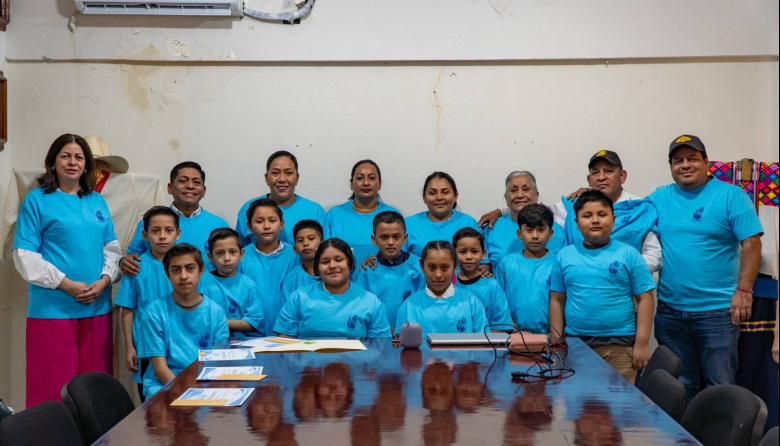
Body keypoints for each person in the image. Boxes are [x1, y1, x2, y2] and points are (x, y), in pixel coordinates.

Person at [649, 134, 763, 400]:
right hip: (670, 311)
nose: (685, 165)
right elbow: (623, 212)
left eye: (692, 159)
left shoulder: (731, 196)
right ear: (671, 167)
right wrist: (587, 194)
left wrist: (744, 291)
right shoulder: (659, 196)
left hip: (718, 313)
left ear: (706, 162)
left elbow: (752, 244)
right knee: (678, 386)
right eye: (678, 161)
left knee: (719, 386)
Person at [13, 134, 122, 408]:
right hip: (53, 311)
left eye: (79, 157)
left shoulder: (97, 201)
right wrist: (67, 285)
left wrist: (105, 281)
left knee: (96, 393)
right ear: (52, 161)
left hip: (97, 308)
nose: (72, 162)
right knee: (51, 391)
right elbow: (24, 255)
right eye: (65, 155)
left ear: (86, 165)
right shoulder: (37, 200)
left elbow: (112, 249)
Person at [479, 151, 662, 272]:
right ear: (589, 179)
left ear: (622, 176)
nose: (602, 177)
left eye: (608, 171)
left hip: (624, 288)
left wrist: (624, 273)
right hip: (580, 294)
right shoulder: (573, 207)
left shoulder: (640, 208)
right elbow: (535, 212)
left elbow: (653, 255)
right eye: (596, 173)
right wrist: (501, 211)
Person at [548, 190, 656, 384]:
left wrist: (642, 344)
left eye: (602, 214)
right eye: (587, 216)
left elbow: (646, 298)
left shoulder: (629, 255)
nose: (595, 220)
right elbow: (557, 299)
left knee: (620, 408)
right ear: (576, 223)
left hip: (620, 344)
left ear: (613, 220)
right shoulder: (564, 256)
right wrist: (556, 342)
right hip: (576, 343)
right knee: (579, 406)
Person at [136, 244, 229, 399]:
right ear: (167, 274)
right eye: (176, 270)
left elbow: (219, 363)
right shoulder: (154, 312)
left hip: (205, 386)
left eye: (190, 268)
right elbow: (160, 369)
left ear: (201, 271)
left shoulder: (216, 312)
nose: (183, 276)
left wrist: (203, 393)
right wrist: (189, 395)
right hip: (164, 386)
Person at [115, 206, 179, 400]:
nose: (162, 236)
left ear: (178, 233)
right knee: (152, 406)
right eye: (155, 231)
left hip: (179, 344)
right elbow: (127, 309)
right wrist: (129, 347)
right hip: (146, 348)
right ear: (145, 235)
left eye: (168, 231)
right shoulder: (136, 267)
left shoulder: (184, 266)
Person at [121, 161, 229, 276]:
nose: (190, 186)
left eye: (196, 182)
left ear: (204, 191)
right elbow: (133, 261)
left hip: (206, 292)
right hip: (159, 291)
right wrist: (124, 262)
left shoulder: (219, 226)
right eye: (183, 181)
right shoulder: (151, 223)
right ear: (169, 188)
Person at [274, 238, 391, 338]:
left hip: (356, 363)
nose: (332, 266)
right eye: (325, 262)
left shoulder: (370, 302)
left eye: (339, 260)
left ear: (350, 263)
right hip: (308, 363)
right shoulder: (299, 297)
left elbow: (380, 347)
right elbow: (285, 340)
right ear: (317, 268)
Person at [395, 241, 488, 337]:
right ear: (422, 267)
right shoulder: (408, 306)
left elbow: (484, 346)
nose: (438, 275)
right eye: (431, 267)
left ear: (455, 267)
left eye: (444, 267)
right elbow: (399, 347)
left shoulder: (472, 303)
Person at [235, 151, 326, 246]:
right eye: (275, 173)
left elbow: (324, 252)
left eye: (288, 173)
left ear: (297, 178)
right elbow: (239, 251)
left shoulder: (314, 211)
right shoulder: (249, 208)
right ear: (266, 178)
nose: (282, 179)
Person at [355, 211, 425, 332]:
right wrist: (384, 328)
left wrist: (402, 329)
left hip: (411, 333)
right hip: (377, 334)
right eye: (384, 237)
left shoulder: (418, 267)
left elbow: (423, 304)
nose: (391, 242)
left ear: (405, 238)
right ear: (374, 239)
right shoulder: (369, 270)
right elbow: (361, 305)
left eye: (396, 237)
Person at [325, 160, 401, 269]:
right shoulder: (334, 214)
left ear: (379, 184)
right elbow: (325, 254)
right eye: (360, 178)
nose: (366, 183)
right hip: (343, 283)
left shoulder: (392, 215)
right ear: (351, 184)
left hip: (381, 281)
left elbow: (400, 254)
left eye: (372, 178)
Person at [238, 198, 299, 335]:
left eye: (272, 220)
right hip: (248, 336)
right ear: (249, 226)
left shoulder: (295, 255)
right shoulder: (240, 257)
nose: (266, 226)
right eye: (259, 221)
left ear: (281, 224)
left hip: (287, 334)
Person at [483, 171, 567, 269]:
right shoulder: (491, 228)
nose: (520, 195)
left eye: (526, 189)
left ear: (536, 195)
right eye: (514, 190)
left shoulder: (554, 228)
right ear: (506, 198)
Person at [496, 204, 559, 333]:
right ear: (519, 233)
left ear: (551, 233)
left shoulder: (557, 264)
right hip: (513, 337)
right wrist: (515, 332)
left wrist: (555, 336)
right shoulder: (507, 264)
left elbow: (561, 302)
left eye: (541, 230)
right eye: (529, 230)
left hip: (549, 339)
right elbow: (498, 303)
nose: (535, 236)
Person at [199, 228, 265, 338]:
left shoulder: (249, 285)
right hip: (209, 343)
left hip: (242, 344)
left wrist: (220, 321)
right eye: (220, 253)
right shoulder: (201, 282)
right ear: (210, 257)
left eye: (232, 252)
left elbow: (253, 323)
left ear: (241, 254)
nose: (227, 258)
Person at [405, 172, 482, 258]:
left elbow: (482, 262)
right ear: (424, 197)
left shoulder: (469, 223)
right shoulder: (409, 225)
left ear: (455, 196)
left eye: (445, 192)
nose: (439, 197)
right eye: (432, 193)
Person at [452, 228, 512, 328]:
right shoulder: (449, 284)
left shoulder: (492, 286)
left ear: (483, 254)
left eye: (474, 251)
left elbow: (501, 327)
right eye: (463, 252)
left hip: (485, 342)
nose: (469, 257)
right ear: (454, 254)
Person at [280, 220, 324, 301]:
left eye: (311, 238)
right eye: (300, 240)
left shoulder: (333, 272)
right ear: (295, 249)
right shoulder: (290, 280)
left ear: (322, 244)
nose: (305, 243)